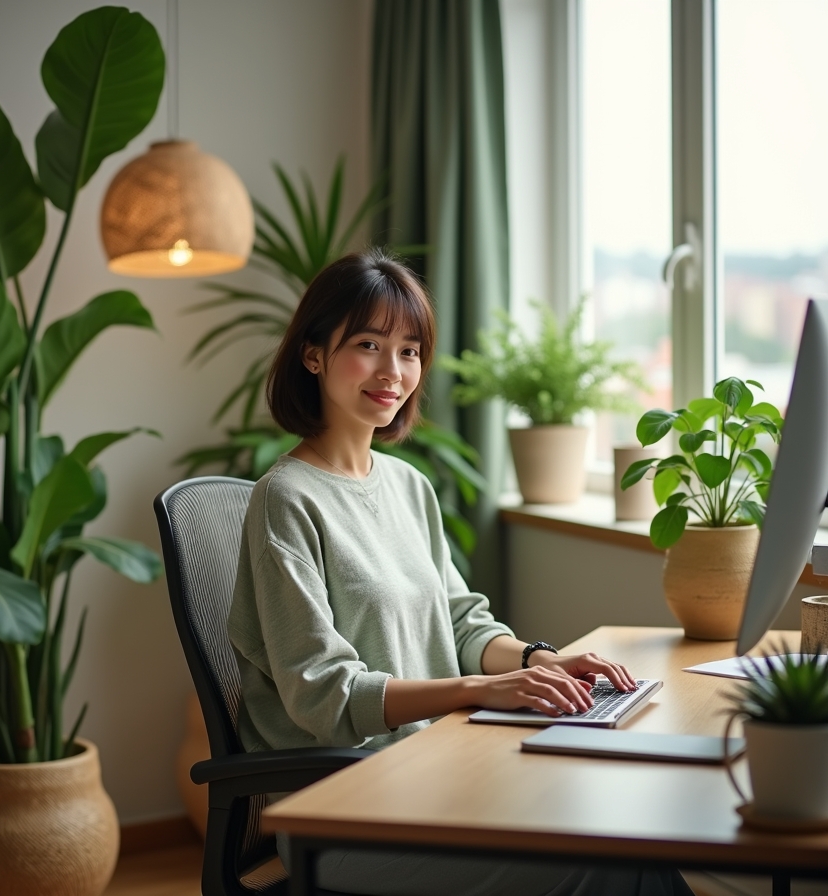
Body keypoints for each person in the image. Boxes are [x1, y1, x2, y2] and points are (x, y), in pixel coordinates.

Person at [228, 250, 693, 896]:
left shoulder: (409, 487)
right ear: (313, 354)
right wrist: (477, 691)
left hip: (439, 778)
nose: (394, 372)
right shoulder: (286, 500)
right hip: (345, 814)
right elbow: (325, 696)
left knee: (628, 835)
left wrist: (541, 660)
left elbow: (463, 623)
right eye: (369, 345)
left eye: (410, 351)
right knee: (605, 862)